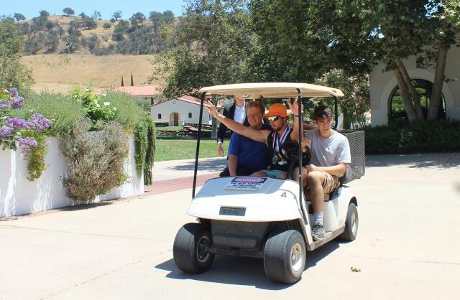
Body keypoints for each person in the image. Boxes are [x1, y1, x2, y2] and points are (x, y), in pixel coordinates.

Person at [208, 99, 302, 179]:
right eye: (270, 118)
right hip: (256, 172)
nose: (272, 121)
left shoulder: (288, 133)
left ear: (285, 119)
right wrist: (217, 115)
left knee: (281, 176)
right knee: (255, 177)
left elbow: (297, 130)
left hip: (284, 172)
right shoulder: (268, 134)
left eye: (275, 118)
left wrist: (297, 116)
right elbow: (241, 129)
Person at [299, 105, 351, 241]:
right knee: (296, 172)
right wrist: (303, 147)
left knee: (313, 176)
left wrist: (318, 169)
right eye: (322, 122)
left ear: (332, 121)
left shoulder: (341, 140)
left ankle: (318, 224)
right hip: (313, 172)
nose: (325, 125)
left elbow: (342, 168)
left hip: (332, 177)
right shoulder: (310, 135)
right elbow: (304, 155)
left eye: (328, 121)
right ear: (316, 122)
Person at [220, 100, 270, 176]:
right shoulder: (239, 133)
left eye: (255, 114)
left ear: (263, 115)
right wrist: (233, 176)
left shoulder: (269, 131)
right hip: (237, 172)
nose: (251, 117)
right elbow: (232, 156)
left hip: (258, 173)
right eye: (249, 115)